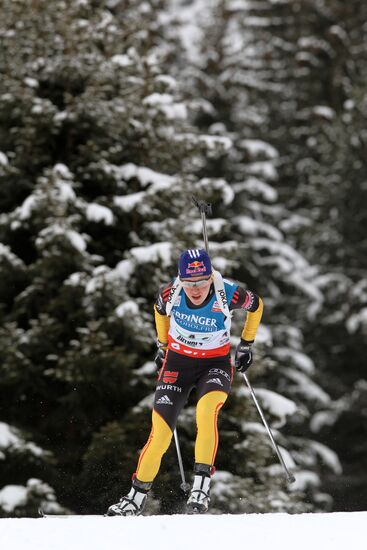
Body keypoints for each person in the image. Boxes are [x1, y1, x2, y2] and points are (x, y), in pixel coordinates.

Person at [107, 248, 263, 515]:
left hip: (214, 365)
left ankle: (200, 489)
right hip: (178, 365)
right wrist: (162, 345)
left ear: (209, 276)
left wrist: (247, 344)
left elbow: (256, 305)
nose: (195, 289)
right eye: (189, 283)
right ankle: (134, 499)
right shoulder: (171, 292)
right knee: (160, 433)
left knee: (205, 412)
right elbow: (159, 311)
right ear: (180, 280)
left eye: (201, 282)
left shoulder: (227, 291)